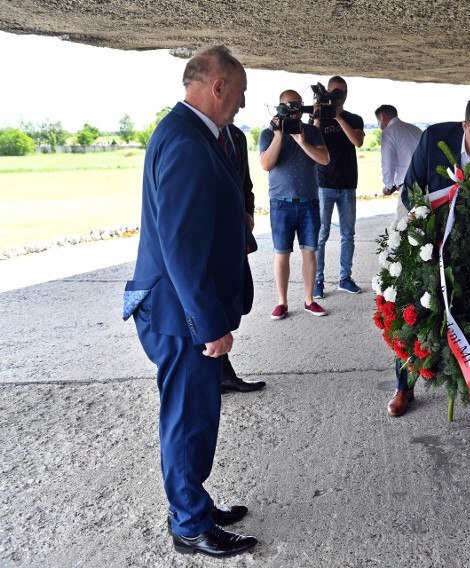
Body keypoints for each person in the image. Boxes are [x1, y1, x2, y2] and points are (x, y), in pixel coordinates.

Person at [121, 45, 258, 557]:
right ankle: (190, 525)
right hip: (181, 316)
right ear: (218, 86)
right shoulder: (184, 140)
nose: (242, 106)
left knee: (197, 416)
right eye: (239, 94)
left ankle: (193, 503)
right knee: (186, 419)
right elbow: (179, 248)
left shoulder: (198, 134)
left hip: (187, 311)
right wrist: (209, 324)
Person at [387, 93, 470, 419]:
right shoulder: (435, 138)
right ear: (466, 126)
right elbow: (411, 189)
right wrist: (423, 234)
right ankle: (404, 387)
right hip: (428, 245)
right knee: (415, 318)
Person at [260, 89, 330, 318]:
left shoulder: (311, 132)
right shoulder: (267, 134)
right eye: (288, 106)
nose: (293, 110)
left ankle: (309, 300)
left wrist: (301, 139)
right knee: (282, 254)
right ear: (279, 107)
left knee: (310, 252)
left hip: (309, 202)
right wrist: (279, 134)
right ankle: (282, 302)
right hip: (281, 203)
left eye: (297, 105)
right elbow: (266, 164)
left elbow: (324, 159)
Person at [219, 122, 267, 393]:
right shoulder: (198, 134)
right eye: (240, 93)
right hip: (213, 236)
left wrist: (248, 212)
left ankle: (222, 371)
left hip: (236, 232)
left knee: (236, 300)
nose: (242, 102)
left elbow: (245, 183)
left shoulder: (236, 136)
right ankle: (215, 372)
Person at [312, 76, 365, 299]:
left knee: (348, 234)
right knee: (320, 235)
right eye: (333, 92)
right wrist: (318, 114)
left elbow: (358, 142)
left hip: (347, 184)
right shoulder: (319, 118)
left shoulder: (354, 118)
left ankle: (345, 278)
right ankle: (317, 280)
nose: (337, 96)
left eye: (341, 93)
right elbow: (312, 141)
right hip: (323, 183)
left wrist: (337, 115)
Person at [374, 104, 422, 219]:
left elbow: (387, 164)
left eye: (377, 122)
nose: (379, 125)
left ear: (382, 117)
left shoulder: (388, 132)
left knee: (403, 226)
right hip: (425, 184)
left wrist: (388, 186)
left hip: (407, 188)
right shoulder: (415, 129)